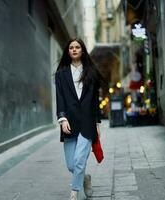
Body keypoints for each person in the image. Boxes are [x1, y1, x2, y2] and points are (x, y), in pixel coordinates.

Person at [55, 38, 103, 200]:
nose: (74, 49)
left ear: (82, 50)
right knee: (71, 165)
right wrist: (62, 119)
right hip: (69, 122)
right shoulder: (61, 74)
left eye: (77, 47)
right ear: (68, 51)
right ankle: (86, 178)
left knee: (79, 161)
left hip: (87, 122)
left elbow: (95, 100)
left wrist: (97, 123)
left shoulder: (91, 72)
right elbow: (59, 97)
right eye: (71, 47)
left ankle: (74, 193)